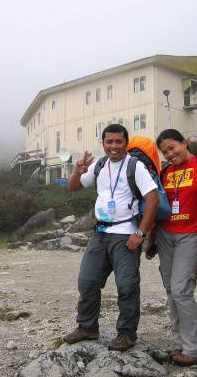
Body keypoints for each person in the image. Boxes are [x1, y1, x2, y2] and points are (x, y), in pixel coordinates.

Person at [63, 123, 159, 351]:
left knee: (126, 286)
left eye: (118, 141)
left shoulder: (135, 166)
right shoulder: (99, 164)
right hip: (100, 233)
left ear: (126, 143)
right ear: (103, 143)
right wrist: (77, 170)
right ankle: (87, 327)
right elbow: (73, 187)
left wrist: (140, 233)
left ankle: (126, 334)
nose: (114, 146)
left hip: (126, 234)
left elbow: (153, 199)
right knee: (87, 281)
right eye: (109, 141)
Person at [146, 129, 197, 366]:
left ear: (184, 142)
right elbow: (159, 204)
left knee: (181, 290)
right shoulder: (165, 171)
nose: (169, 154)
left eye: (172, 148)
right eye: (164, 151)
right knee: (171, 290)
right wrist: (152, 239)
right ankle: (180, 345)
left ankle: (196, 350)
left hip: (192, 234)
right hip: (166, 235)